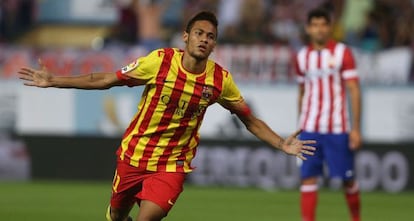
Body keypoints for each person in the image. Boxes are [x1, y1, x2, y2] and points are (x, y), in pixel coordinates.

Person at [18, 11, 316, 221]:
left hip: (172, 164)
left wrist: (281, 144)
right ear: (186, 36)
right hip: (134, 155)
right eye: (199, 33)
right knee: (117, 214)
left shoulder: (219, 81)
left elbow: (249, 119)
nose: (204, 40)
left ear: (214, 44)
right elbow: (106, 79)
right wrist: (54, 80)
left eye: (210, 37)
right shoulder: (159, 62)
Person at [295, 8, 362, 221]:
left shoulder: (343, 53)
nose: (319, 29)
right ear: (308, 28)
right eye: (314, 25)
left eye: (323, 24)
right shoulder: (302, 57)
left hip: (337, 128)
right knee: (307, 180)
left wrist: (356, 129)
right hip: (309, 129)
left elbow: (353, 89)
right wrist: (299, 127)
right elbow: (302, 92)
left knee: (347, 180)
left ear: (330, 27)